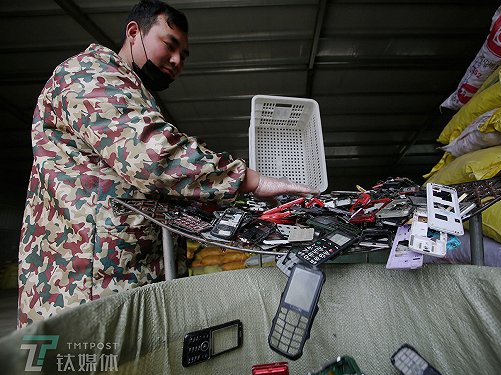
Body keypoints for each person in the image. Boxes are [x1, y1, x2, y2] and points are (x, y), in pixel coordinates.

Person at [17, 0, 318, 329]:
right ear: (135, 33)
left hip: (121, 280)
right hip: (85, 287)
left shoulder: (133, 92)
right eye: (170, 45)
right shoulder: (90, 74)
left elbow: (142, 186)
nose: (176, 61)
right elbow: (155, 159)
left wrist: (221, 212)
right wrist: (250, 180)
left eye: (184, 56)